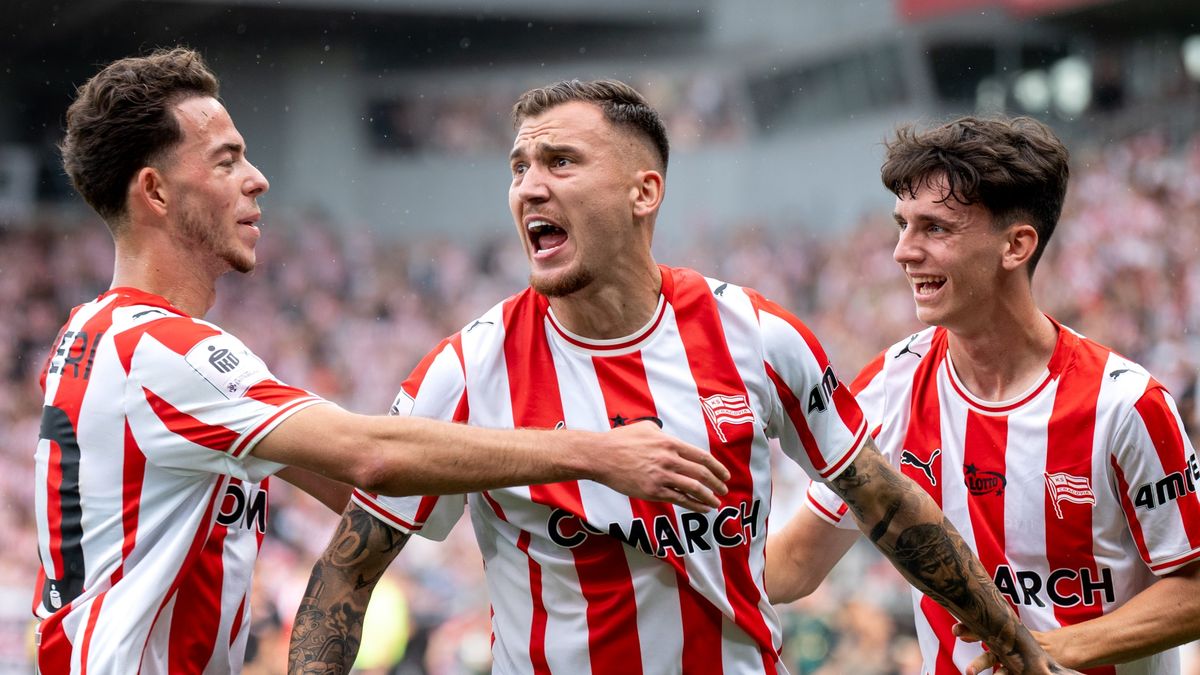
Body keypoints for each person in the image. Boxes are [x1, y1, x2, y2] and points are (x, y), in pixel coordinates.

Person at [287, 80, 1072, 675]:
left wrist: (1019, 647)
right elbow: (347, 573)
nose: (529, 184)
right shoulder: (465, 370)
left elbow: (889, 506)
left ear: (644, 192)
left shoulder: (756, 337)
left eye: (560, 160)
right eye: (519, 165)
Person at [34, 48, 733, 675]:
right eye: (227, 160)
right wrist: (593, 452)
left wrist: (536, 499)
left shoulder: (101, 336)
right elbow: (371, 456)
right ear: (155, 192)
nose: (258, 179)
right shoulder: (164, 352)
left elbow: (381, 498)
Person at [766, 116, 1200, 674]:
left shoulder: (1126, 405)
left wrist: (1051, 651)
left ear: (1016, 246)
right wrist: (644, 534)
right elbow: (796, 563)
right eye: (902, 225)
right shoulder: (886, 390)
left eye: (934, 229)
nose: (902, 251)